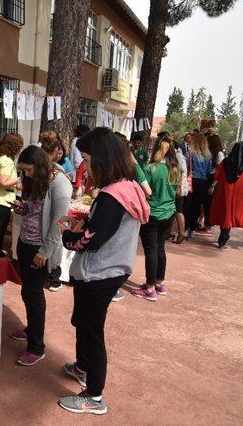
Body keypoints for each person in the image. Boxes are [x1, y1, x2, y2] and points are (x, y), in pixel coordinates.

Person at [56, 128, 150, 415]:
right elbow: (103, 228)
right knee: (83, 322)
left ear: (102, 158)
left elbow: (93, 239)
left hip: (101, 272)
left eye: (87, 158)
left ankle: (94, 397)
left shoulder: (112, 196)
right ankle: (83, 367)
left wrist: (68, 236)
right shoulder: (127, 187)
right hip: (108, 270)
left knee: (91, 331)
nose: (85, 165)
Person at [9, 145, 72, 366]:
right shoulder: (34, 180)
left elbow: (59, 221)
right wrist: (22, 209)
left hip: (40, 248)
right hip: (25, 242)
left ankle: (37, 347)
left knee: (33, 294)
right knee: (27, 290)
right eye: (23, 170)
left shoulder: (60, 183)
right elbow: (33, 209)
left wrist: (45, 251)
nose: (26, 174)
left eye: (28, 169)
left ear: (39, 165)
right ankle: (31, 329)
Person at [132, 136, 180, 301]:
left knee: (151, 251)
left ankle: (150, 287)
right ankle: (160, 283)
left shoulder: (151, 168)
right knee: (160, 249)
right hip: (169, 212)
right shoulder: (175, 169)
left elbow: (145, 190)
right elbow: (178, 192)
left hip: (152, 214)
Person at [40, 131, 70, 292]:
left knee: (54, 239)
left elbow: (60, 219)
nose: (59, 155)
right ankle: (52, 275)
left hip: (53, 218)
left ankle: (54, 276)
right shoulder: (43, 171)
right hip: (42, 226)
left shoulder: (58, 175)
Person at [0, 133, 24, 257]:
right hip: (1, 200)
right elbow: (3, 182)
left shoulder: (2, 158)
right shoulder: (6, 161)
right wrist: (18, 179)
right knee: (0, 228)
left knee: (0, 227)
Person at [208, 142, 243, 249]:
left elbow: (217, 176)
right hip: (238, 196)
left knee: (225, 214)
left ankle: (222, 239)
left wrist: (212, 187)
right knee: (232, 215)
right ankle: (224, 238)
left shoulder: (224, 163)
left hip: (224, 193)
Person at [186, 133, 213, 239]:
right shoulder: (208, 156)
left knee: (188, 204)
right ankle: (192, 228)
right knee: (197, 206)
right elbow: (208, 171)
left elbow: (187, 167)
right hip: (202, 182)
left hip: (192, 180)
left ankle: (186, 227)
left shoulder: (191, 153)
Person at [168, 139, 189, 244]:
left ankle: (181, 233)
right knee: (174, 210)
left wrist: (179, 188)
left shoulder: (178, 156)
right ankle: (171, 231)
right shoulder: (175, 156)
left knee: (178, 210)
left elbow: (181, 172)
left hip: (179, 187)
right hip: (177, 186)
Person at [203, 134, 225, 233]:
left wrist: (213, 185)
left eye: (209, 142)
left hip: (213, 180)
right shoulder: (210, 153)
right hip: (208, 178)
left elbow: (219, 171)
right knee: (206, 202)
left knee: (209, 203)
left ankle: (208, 224)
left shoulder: (220, 155)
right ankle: (206, 223)